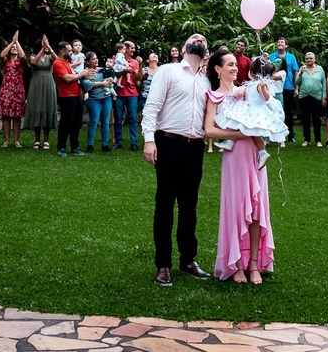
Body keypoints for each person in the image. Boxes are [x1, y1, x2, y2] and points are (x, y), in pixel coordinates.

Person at [140, 33, 213, 287]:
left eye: (203, 39)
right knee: (165, 204)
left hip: (195, 148)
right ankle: (163, 264)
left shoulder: (206, 81)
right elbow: (151, 107)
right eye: (193, 38)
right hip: (168, 143)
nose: (198, 39)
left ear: (206, 51)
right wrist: (149, 139)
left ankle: (188, 259)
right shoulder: (168, 71)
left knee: (189, 206)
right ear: (183, 49)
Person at [204, 47, 274, 284]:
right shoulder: (214, 96)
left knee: (256, 210)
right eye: (230, 64)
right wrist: (241, 134)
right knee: (237, 210)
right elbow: (209, 130)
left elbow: (266, 106)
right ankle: (235, 264)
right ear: (218, 69)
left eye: (236, 64)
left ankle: (254, 264)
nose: (235, 68)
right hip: (235, 158)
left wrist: (264, 92)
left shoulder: (246, 91)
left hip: (255, 156)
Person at [213, 55, 287, 167]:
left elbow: (266, 98)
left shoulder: (260, 85)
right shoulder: (252, 84)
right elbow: (247, 90)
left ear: (252, 73)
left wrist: (263, 88)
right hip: (248, 109)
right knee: (237, 123)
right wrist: (243, 90)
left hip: (254, 111)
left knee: (250, 131)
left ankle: (262, 152)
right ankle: (231, 142)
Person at [52, 40, 93, 157]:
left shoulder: (68, 62)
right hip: (66, 97)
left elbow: (76, 76)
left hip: (76, 96)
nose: (71, 52)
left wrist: (86, 75)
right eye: (69, 50)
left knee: (76, 122)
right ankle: (61, 147)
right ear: (62, 51)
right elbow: (67, 78)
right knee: (66, 122)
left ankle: (75, 146)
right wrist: (82, 74)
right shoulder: (58, 63)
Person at [0, 32, 28, 149]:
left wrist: (17, 42)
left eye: (16, 48)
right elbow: (1, 54)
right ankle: (6, 141)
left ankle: (16, 141)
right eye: (13, 48)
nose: (14, 49)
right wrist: (12, 42)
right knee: (5, 116)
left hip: (18, 91)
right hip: (6, 90)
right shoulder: (5, 61)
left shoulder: (21, 62)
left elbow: (24, 56)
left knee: (17, 116)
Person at [24, 35, 57, 150]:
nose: (46, 46)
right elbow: (34, 63)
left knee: (47, 109)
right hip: (36, 84)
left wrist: (49, 48)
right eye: (43, 44)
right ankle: (37, 140)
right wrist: (42, 49)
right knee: (37, 108)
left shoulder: (50, 57)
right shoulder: (33, 55)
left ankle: (46, 140)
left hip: (48, 83)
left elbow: (57, 61)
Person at [82, 51, 117, 152]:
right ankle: (90, 145)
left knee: (106, 122)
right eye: (93, 59)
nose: (96, 60)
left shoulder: (103, 70)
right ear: (88, 62)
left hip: (106, 99)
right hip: (94, 100)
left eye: (96, 58)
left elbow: (113, 75)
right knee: (94, 122)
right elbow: (87, 85)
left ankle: (105, 145)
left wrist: (112, 79)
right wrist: (102, 83)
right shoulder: (85, 72)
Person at [269, 38, 300, 143]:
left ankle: (291, 135)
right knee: (274, 112)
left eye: (282, 42)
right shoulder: (272, 56)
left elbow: (295, 72)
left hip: (288, 87)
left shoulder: (291, 57)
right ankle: (273, 136)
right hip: (274, 90)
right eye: (278, 42)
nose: (279, 43)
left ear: (286, 46)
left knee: (288, 112)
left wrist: (296, 87)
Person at [114, 40, 141, 152]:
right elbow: (115, 73)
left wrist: (138, 69)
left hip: (132, 94)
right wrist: (126, 70)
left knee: (132, 118)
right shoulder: (117, 59)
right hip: (119, 94)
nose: (134, 50)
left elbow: (138, 79)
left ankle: (134, 142)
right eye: (132, 48)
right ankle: (118, 142)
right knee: (118, 118)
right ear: (125, 49)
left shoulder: (135, 62)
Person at [295, 52, 326, 146]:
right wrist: (300, 74)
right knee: (305, 118)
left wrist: (324, 97)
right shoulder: (302, 69)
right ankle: (306, 140)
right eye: (307, 58)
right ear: (305, 60)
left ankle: (318, 140)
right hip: (304, 96)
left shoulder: (320, 69)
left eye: (311, 58)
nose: (309, 60)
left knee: (316, 118)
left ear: (314, 59)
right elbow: (297, 82)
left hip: (317, 96)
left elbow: (324, 83)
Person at [139, 52, 159, 116]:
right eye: (152, 55)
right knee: (147, 117)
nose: (155, 55)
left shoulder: (162, 70)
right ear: (148, 60)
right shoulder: (144, 70)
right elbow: (138, 83)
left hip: (157, 98)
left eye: (156, 55)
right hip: (145, 98)